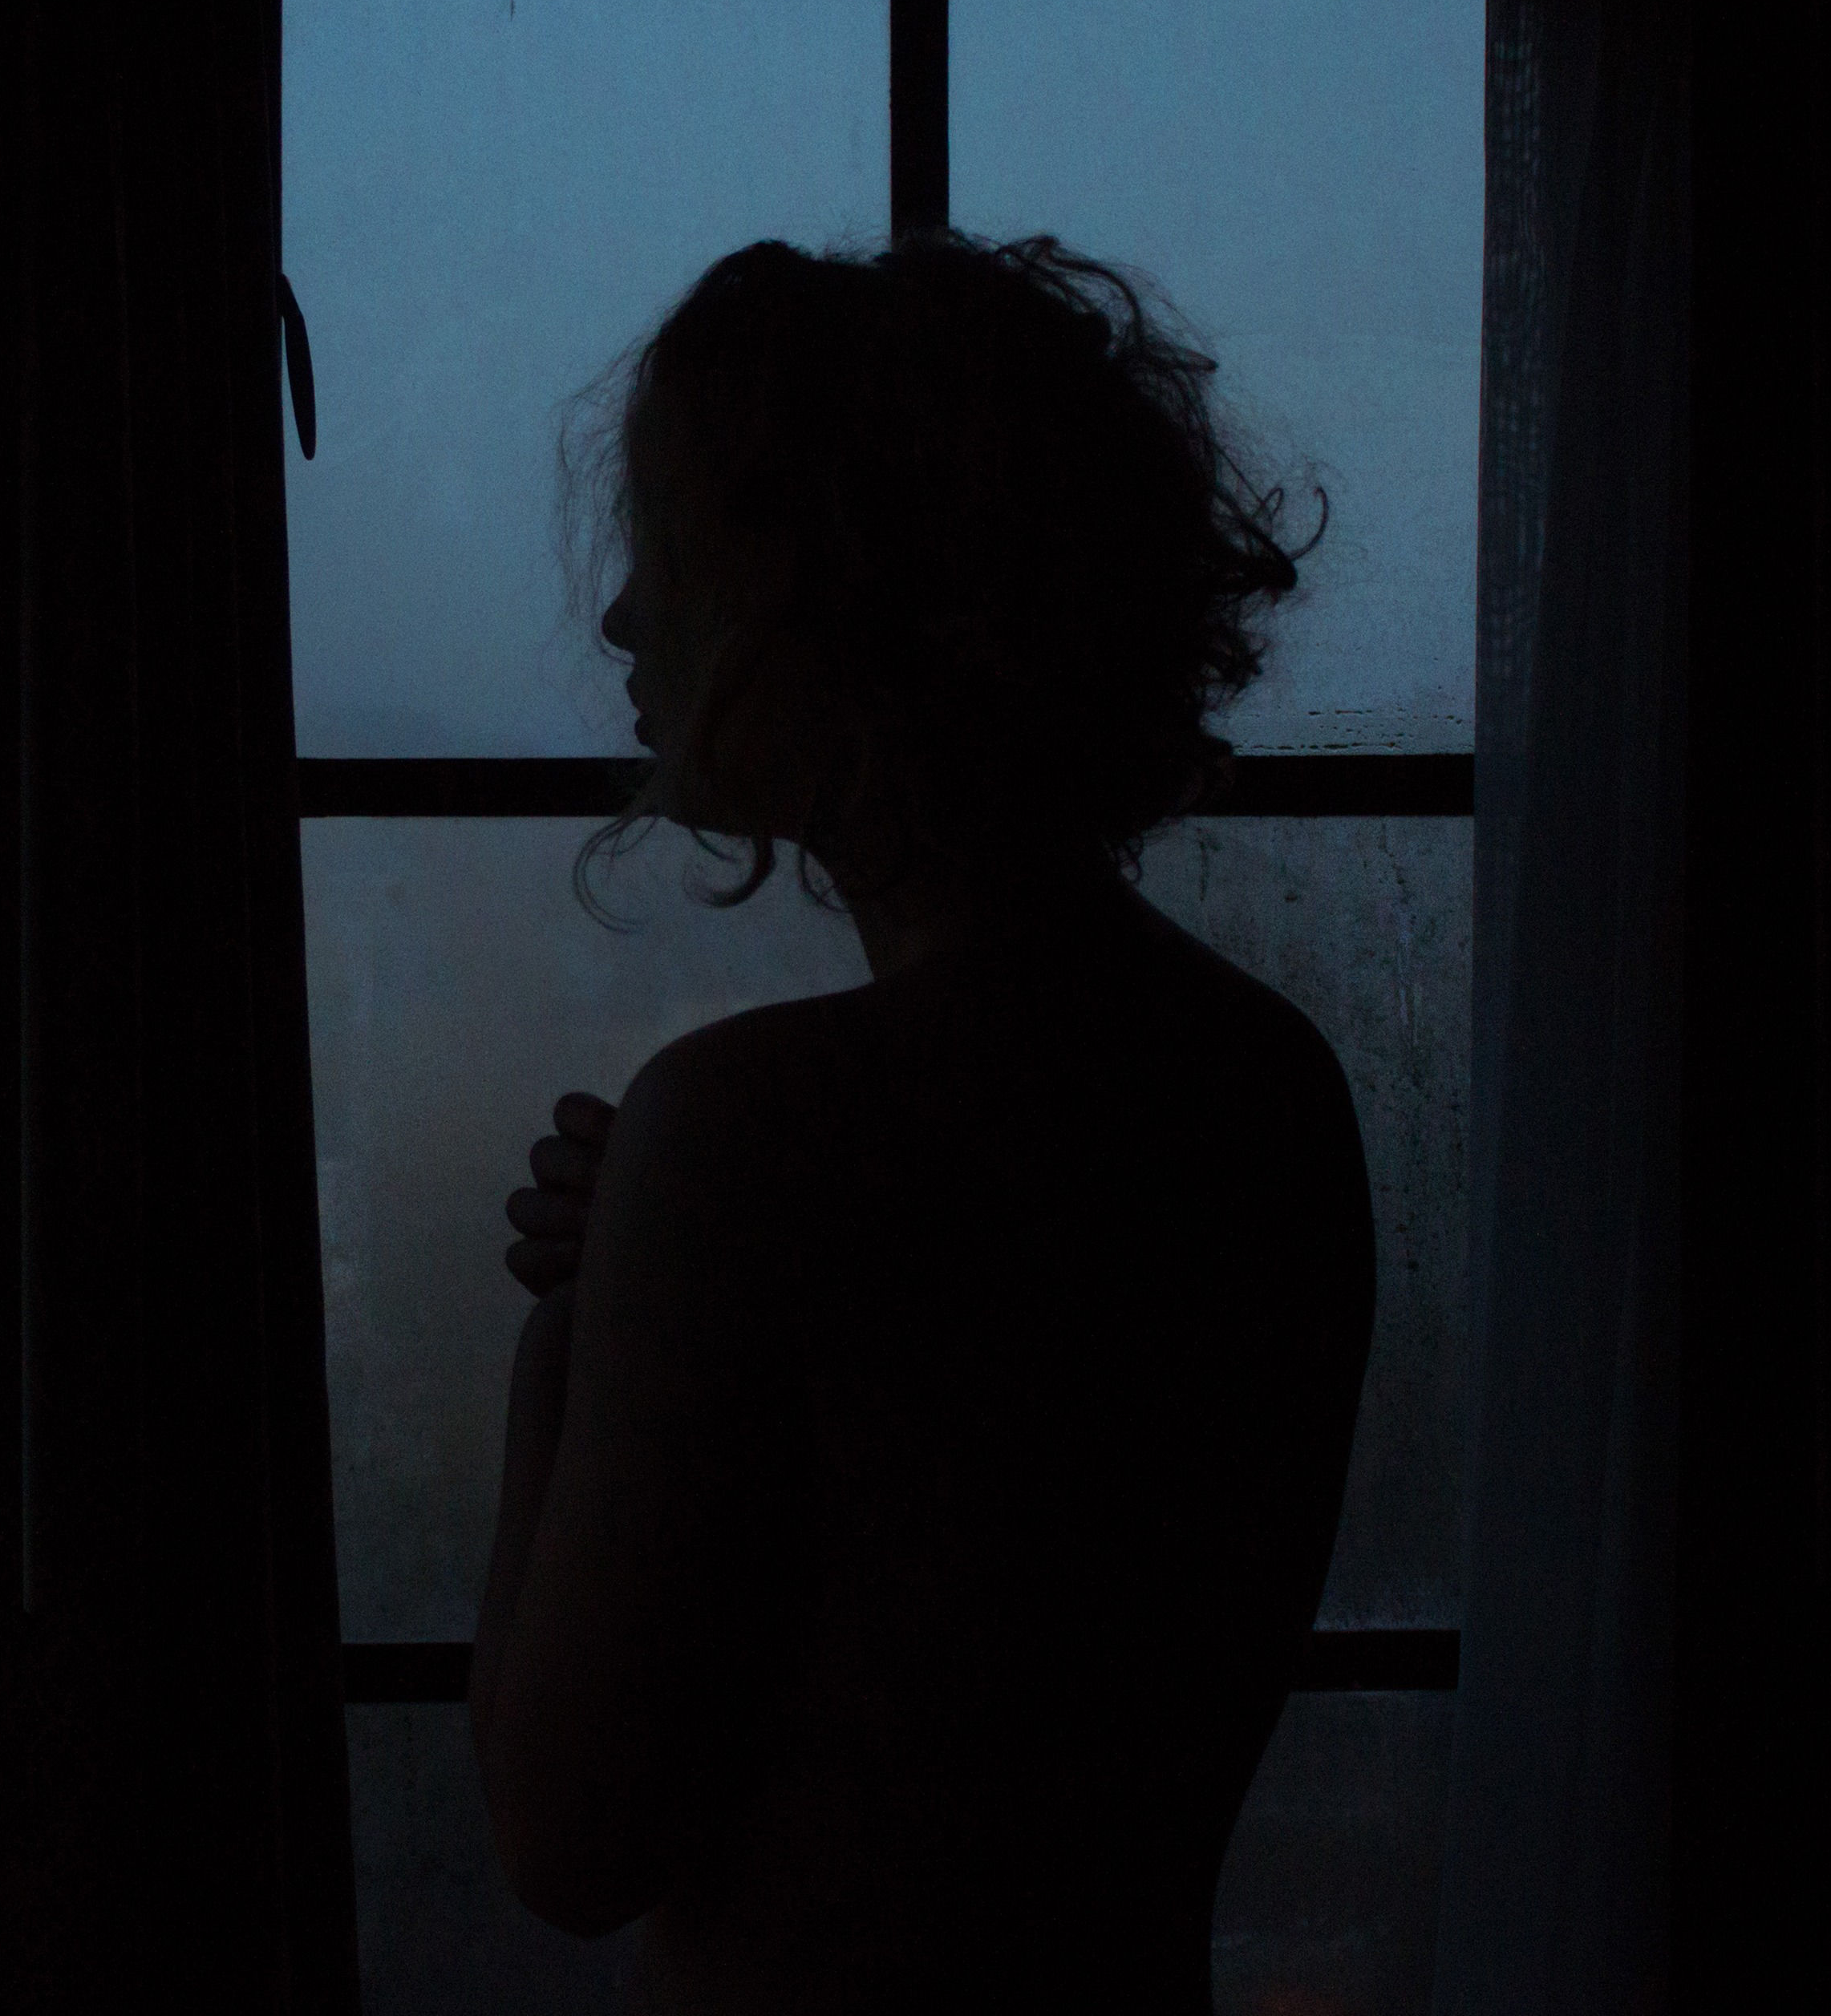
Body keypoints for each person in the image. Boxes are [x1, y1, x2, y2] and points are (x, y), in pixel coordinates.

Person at [470, 230, 1375, 2014]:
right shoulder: (1264, 1081)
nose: (624, 619)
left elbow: (566, 1843)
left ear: (827, 602)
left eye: (674, 554)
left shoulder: (750, 1133)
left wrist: (569, 1345)